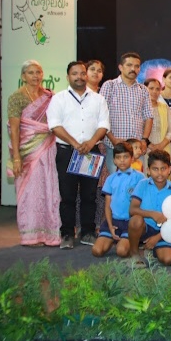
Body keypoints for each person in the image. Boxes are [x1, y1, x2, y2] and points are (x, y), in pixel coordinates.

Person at [46, 61, 110, 249]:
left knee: (90, 195)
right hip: (67, 152)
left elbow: (104, 125)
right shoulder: (59, 99)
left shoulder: (98, 99)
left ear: (86, 75)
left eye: (82, 73)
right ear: (68, 77)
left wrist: (90, 143)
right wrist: (75, 144)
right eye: (75, 74)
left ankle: (88, 232)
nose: (79, 77)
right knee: (67, 195)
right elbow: (54, 125)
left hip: (91, 153)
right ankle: (67, 233)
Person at [6, 59, 61, 247]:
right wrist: (16, 157)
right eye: (30, 72)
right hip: (28, 152)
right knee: (30, 193)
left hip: (48, 149)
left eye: (38, 72)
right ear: (23, 76)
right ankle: (31, 235)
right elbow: (14, 129)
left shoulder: (49, 96)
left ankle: (50, 233)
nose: (35, 76)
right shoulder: (16, 97)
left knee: (49, 190)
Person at [127, 149, 171, 267]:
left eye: (163, 168)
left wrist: (157, 237)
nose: (159, 173)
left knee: (168, 260)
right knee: (135, 220)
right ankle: (134, 253)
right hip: (145, 227)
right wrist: (152, 214)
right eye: (155, 169)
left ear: (169, 169)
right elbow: (132, 209)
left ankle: (152, 250)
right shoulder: (142, 184)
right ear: (148, 170)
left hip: (165, 231)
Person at [100, 52, 153, 175]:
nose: (133, 69)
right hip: (114, 147)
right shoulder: (109, 86)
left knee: (136, 182)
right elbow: (101, 116)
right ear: (120, 67)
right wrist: (113, 139)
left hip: (137, 149)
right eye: (129, 65)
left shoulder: (143, 90)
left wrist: (144, 140)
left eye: (136, 66)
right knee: (117, 182)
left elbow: (149, 117)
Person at [91, 142, 144, 259]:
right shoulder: (110, 179)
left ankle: (129, 242)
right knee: (96, 251)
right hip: (113, 221)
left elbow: (143, 203)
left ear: (132, 158)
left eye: (125, 157)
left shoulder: (140, 177)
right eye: (118, 157)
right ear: (114, 160)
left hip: (130, 222)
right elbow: (107, 206)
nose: (122, 160)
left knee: (121, 251)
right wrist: (110, 225)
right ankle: (113, 239)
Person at [85, 59, 109, 230]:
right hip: (82, 148)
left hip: (100, 146)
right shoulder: (78, 94)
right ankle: (80, 225)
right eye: (92, 69)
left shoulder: (104, 94)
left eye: (99, 71)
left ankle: (99, 224)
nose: (95, 73)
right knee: (83, 188)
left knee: (101, 187)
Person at [144, 78, 171, 160]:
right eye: (151, 88)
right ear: (144, 89)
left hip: (164, 147)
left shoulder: (165, 107)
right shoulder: (140, 107)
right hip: (145, 148)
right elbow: (138, 129)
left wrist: (161, 145)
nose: (154, 92)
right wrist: (150, 145)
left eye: (157, 89)